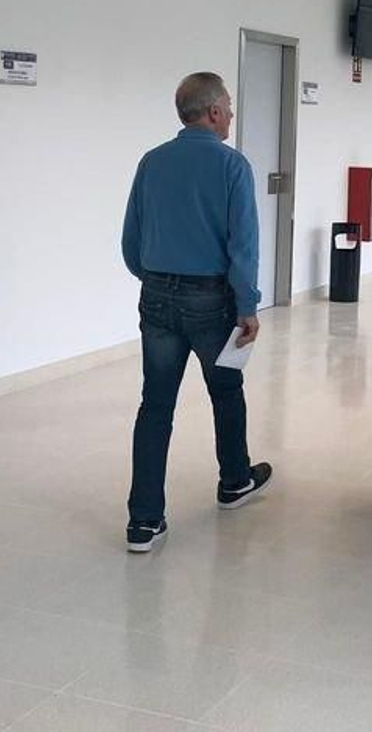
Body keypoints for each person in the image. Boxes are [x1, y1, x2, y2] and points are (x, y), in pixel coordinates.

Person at [120, 72, 274, 553]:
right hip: (213, 301)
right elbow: (242, 245)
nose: (230, 113)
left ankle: (144, 522)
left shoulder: (152, 162)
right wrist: (246, 305)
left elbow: (131, 240)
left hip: (158, 298)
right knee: (226, 391)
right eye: (227, 105)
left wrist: (154, 280)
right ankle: (234, 481)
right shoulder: (233, 166)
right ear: (211, 112)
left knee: (156, 405)